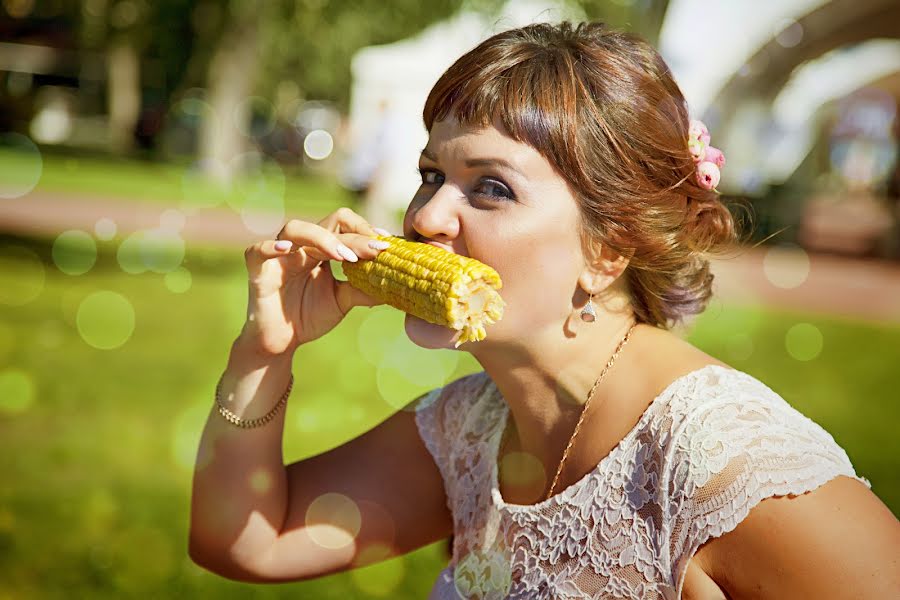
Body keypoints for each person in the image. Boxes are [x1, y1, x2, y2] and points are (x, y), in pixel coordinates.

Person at [188, 21, 900, 599]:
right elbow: (245, 540)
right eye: (430, 175)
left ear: (608, 250)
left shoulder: (724, 467)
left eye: (489, 187)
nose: (426, 217)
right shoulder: (472, 427)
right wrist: (264, 352)